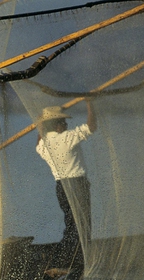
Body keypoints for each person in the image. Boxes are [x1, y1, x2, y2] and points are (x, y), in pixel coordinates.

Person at [35, 100, 96, 255]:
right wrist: (90, 105)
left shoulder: (44, 145)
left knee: (71, 221)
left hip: (61, 187)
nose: (66, 125)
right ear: (57, 125)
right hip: (77, 184)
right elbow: (91, 127)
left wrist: (40, 126)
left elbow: (39, 141)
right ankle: (80, 254)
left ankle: (69, 252)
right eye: (63, 122)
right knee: (82, 222)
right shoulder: (67, 138)